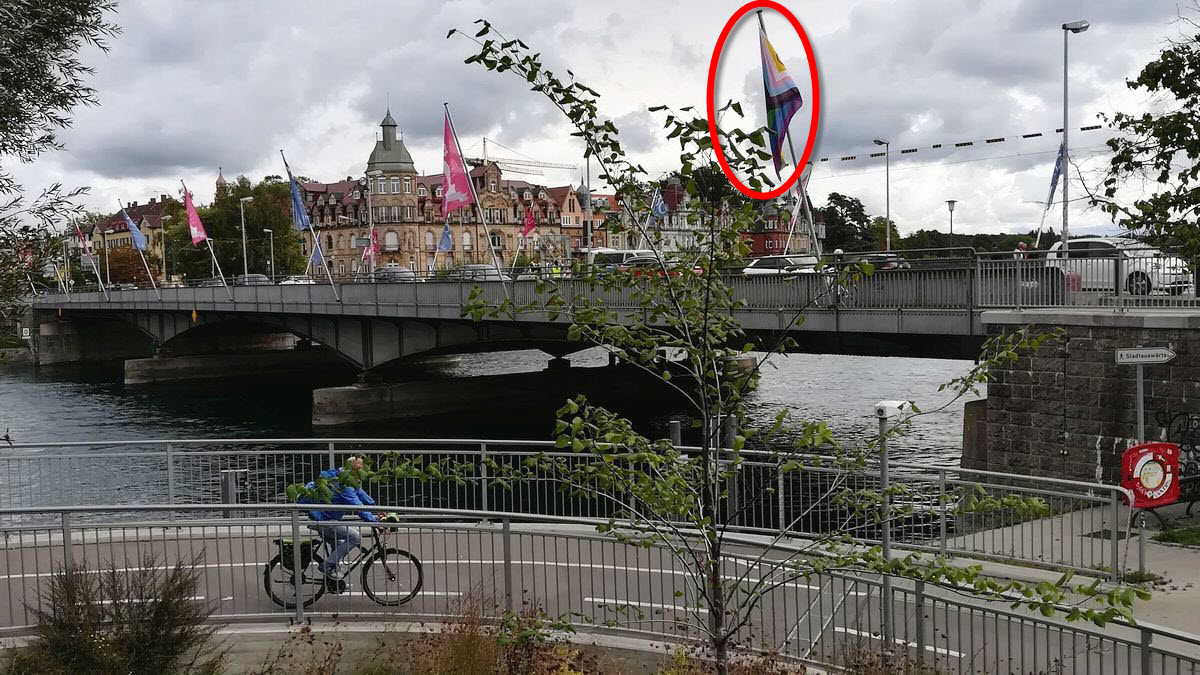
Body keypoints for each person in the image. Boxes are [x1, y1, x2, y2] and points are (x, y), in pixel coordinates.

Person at [301, 456, 377, 580]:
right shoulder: (345, 486)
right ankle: (327, 566)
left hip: (322, 518)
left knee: (338, 543)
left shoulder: (344, 477)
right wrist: (373, 520)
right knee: (355, 537)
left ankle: (333, 580)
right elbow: (358, 506)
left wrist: (378, 509)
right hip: (324, 521)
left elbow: (361, 495)